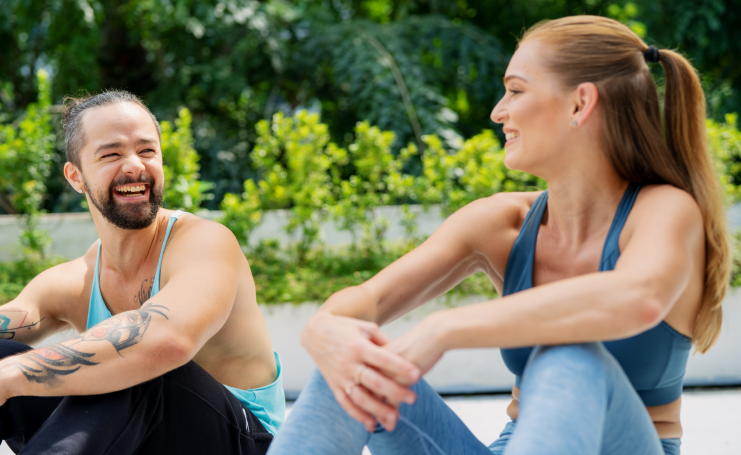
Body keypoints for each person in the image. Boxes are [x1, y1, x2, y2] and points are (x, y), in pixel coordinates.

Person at [268, 15, 730, 455]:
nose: (497, 112)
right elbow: (365, 303)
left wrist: (442, 329)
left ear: (579, 103)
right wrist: (325, 330)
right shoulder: (500, 224)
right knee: (354, 365)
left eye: (515, 91)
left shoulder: (665, 211)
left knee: (569, 355)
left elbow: (636, 299)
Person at [0, 91, 284, 455]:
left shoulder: (205, 242)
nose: (135, 167)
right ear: (75, 176)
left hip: (243, 443)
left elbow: (167, 342)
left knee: (132, 363)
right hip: (132, 441)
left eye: (147, 151)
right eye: (111, 155)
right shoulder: (77, 280)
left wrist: (4, 379)